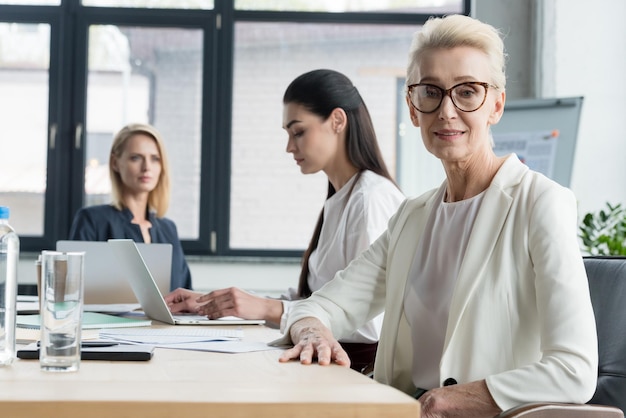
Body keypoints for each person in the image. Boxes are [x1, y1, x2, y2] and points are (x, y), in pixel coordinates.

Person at [274, 15, 598, 417]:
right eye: (430, 92)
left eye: (467, 92)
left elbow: (575, 369)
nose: (446, 110)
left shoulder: (539, 203)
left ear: (496, 105)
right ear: (413, 109)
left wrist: (463, 397)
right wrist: (312, 333)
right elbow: (321, 306)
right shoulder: (412, 216)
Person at [165, 69, 405, 372]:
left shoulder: (370, 199)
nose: (289, 147)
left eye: (298, 132)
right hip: (323, 365)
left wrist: (267, 308)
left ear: (337, 121)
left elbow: (370, 325)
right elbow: (311, 298)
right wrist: (214, 302)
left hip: (354, 373)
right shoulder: (343, 198)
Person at [69, 123, 192, 291]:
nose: (147, 167)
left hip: (168, 318)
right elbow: (73, 289)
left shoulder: (168, 229)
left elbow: (184, 291)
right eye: (136, 158)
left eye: (155, 159)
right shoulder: (92, 220)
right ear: (115, 163)